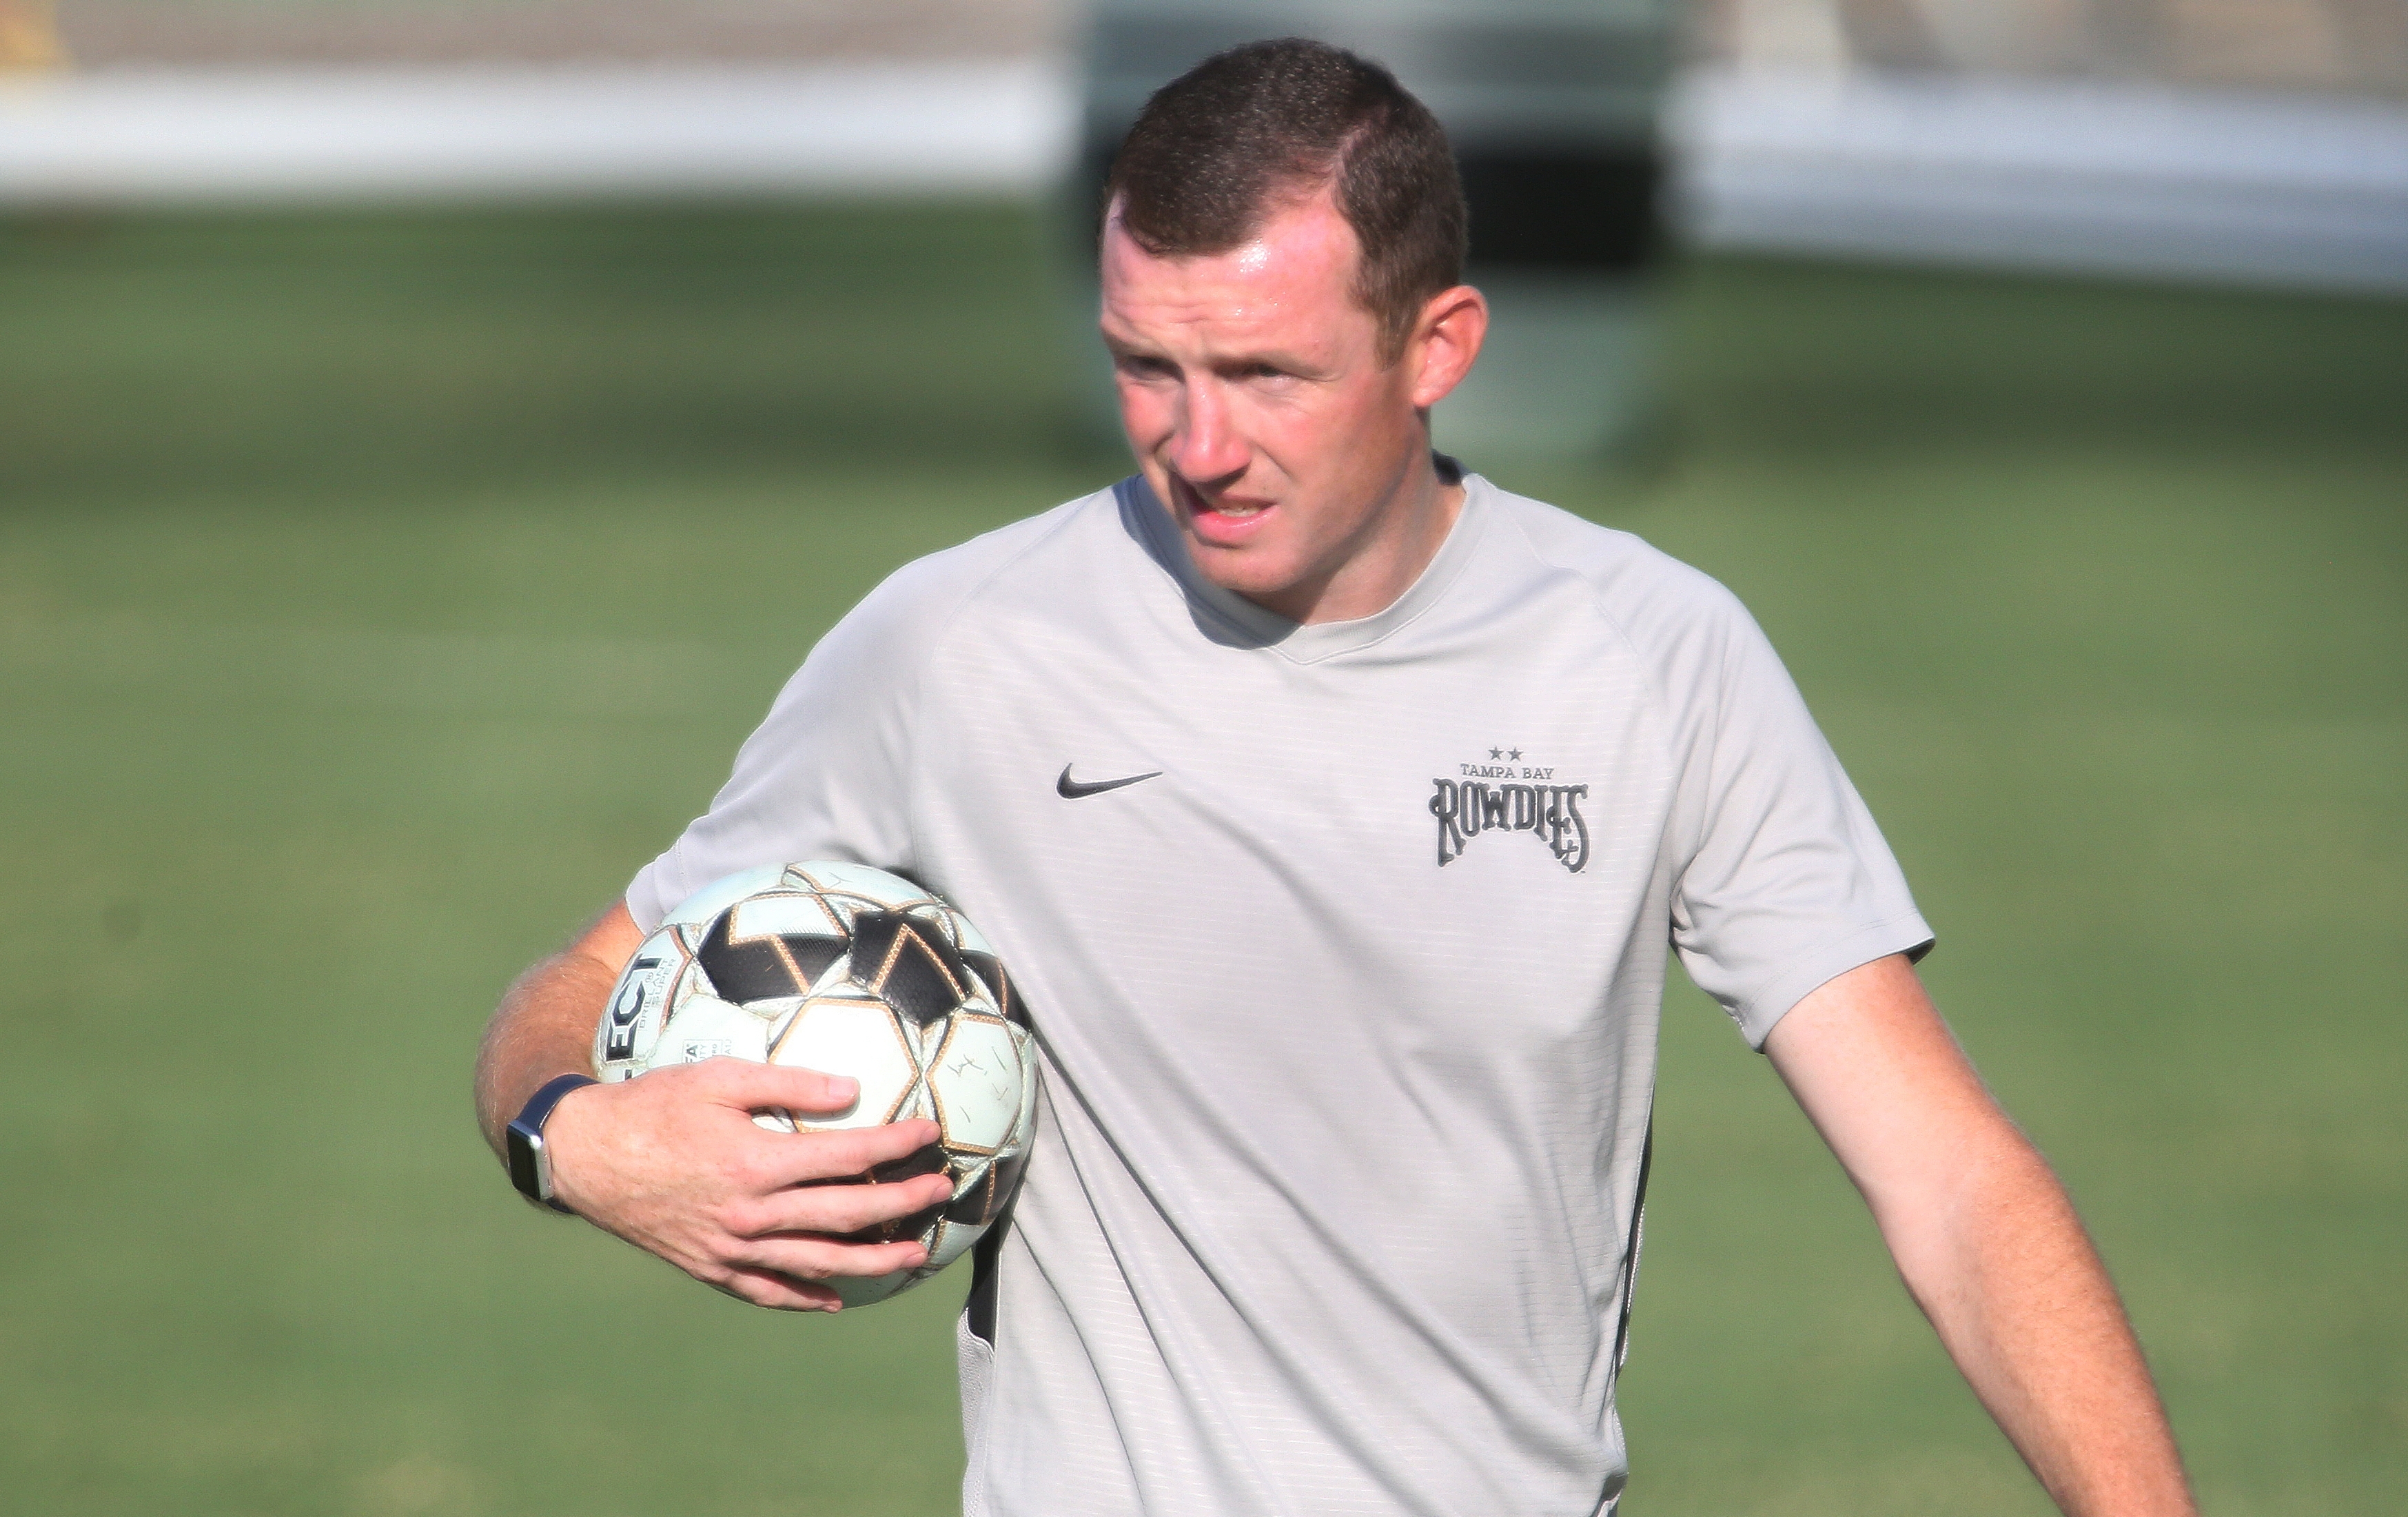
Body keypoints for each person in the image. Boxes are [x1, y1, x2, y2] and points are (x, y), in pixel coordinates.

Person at [474, 38, 2196, 1517]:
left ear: (1436, 346)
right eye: (1146, 364)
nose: (1194, 445)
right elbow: (581, 986)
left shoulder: (1653, 658)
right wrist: (579, 1136)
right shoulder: (957, 649)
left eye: (1264, 375)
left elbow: (1949, 1181)